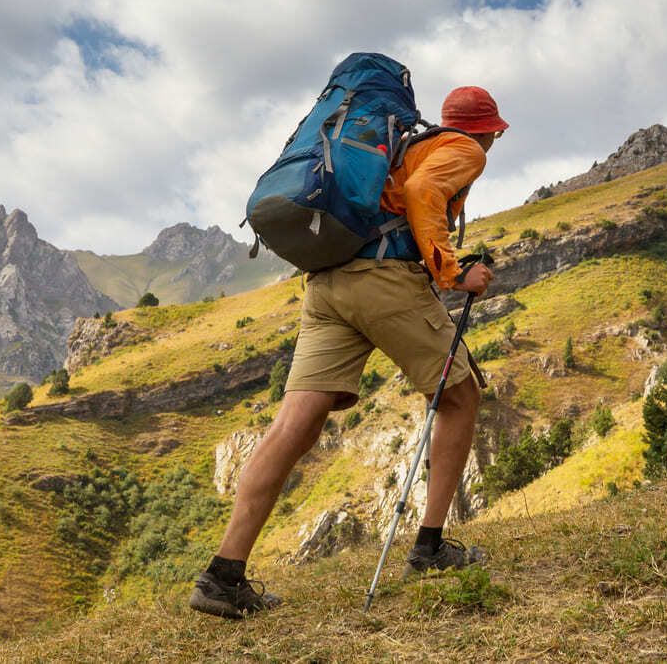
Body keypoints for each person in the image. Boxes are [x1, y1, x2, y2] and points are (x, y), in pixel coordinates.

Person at [189, 85, 509, 619]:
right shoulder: (463, 150)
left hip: (328, 284)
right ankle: (430, 547)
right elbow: (426, 192)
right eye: (494, 134)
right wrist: (452, 272)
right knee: (459, 397)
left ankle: (224, 576)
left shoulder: (401, 145)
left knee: (294, 424)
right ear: (490, 130)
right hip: (383, 282)